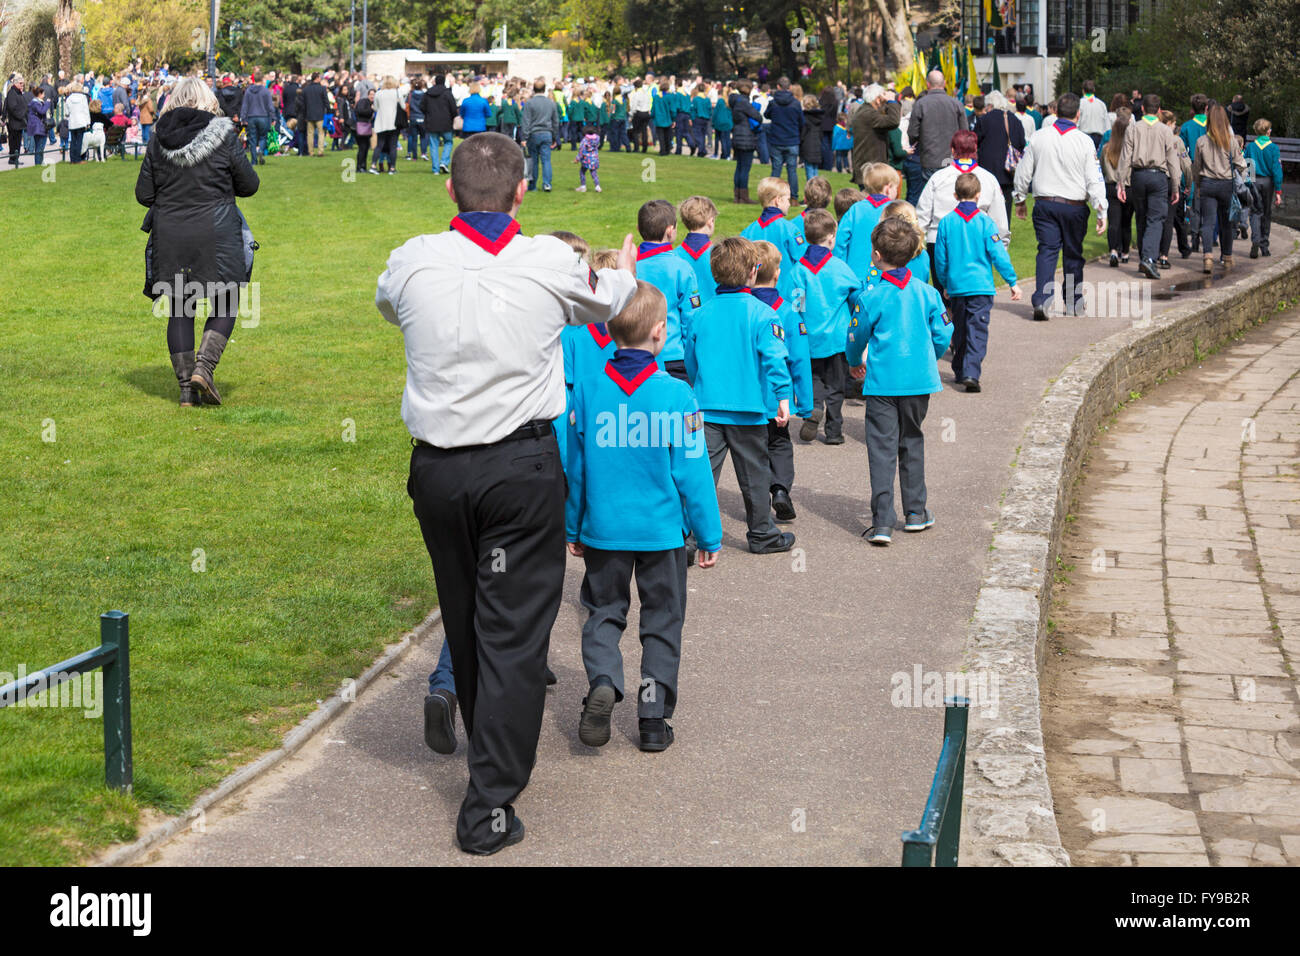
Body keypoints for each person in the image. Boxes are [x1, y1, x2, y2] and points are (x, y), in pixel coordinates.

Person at [376, 132, 639, 855]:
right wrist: (622, 265)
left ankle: (486, 755)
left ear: (450, 189)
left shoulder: (412, 258)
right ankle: (489, 800)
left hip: (440, 470)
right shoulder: (551, 263)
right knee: (513, 637)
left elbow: (391, 307)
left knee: (465, 621)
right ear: (523, 191)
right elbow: (611, 299)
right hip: (517, 468)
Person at [566, 281, 722, 753]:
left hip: (605, 530)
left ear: (609, 327)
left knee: (602, 614)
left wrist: (572, 526)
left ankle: (605, 681)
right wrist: (709, 534)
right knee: (662, 621)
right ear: (660, 332)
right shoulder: (680, 396)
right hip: (661, 533)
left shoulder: (588, 391)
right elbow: (694, 472)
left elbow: (576, 467)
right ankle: (652, 720)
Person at [135, 76, 259, 407]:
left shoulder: (158, 138)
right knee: (227, 298)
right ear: (208, 100)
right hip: (216, 232)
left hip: (172, 233)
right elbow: (249, 184)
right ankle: (203, 368)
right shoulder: (224, 134)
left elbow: (144, 193)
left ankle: (187, 389)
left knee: (180, 305)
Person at [684, 237, 795, 555]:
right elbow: (775, 358)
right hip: (749, 407)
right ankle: (762, 534)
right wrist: (783, 397)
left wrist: (701, 385)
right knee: (755, 475)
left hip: (706, 406)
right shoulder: (764, 314)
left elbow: (691, 360)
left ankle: (689, 539)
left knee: (702, 474)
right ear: (754, 270)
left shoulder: (700, 315)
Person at [846, 217, 952, 546]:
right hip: (919, 381)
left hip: (882, 383)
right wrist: (928, 356)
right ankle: (916, 512)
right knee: (912, 440)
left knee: (881, 449)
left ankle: (882, 521)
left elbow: (855, 335)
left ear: (876, 255)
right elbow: (944, 333)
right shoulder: (928, 293)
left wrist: (853, 361)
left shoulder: (871, 296)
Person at [1012, 92, 1107, 321]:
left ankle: (1043, 299)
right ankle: (1073, 302)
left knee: (1047, 250)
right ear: (1078, 114)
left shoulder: (1039, 136)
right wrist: (1101, 209)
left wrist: (1020, 199)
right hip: (1074, 206)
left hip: (1045, 203)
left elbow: (1023, 171)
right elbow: (1094, 178)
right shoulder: (1085, 141)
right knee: (1073, 254)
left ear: (1056, 112)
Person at [934, 172, 1022, 393]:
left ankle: (960, 368)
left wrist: (944, 282)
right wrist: (1011, 281)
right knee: (977, 328)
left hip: (956, 286)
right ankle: (971, 372)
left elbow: (940, 258)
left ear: (955, 195)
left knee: (961, 328)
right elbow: (998, 254)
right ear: (979, 195)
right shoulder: (985, 222)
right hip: (980, 285)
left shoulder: (946, 223)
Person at [792, 207, 868, 449]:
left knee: (814, 377)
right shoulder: (839, 267)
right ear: (832, 238)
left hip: (809, 337)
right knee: (836, 385)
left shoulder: (798, 270)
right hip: (836, 338)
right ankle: (834, 430)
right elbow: (857, 296)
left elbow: (796, 305)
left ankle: (814, 407)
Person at [748, 240, 811, 522]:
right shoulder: (788, 312)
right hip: (777, 397)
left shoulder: (742, 309)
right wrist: (806, 404)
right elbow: (798, 360)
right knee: (780, 444)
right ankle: (781, 489)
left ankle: (760, 499)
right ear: (777, 275)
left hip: (747, 396)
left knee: (753, 451)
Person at [915, 130, 1010, 295]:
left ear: (952, 150)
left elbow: (922, 214)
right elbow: (999, 219)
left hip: (939, 240)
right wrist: (1001, 246)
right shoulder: (988, 178)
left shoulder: (938, 177)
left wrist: (917, 242)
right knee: (972, 294)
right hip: (976, 241)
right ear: (976, 150)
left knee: (944, 297)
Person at [1115, 93, 1182, 279]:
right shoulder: (1165, 130)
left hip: (1138, 176)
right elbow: (1172, 161)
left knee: (1142, 218)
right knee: (1156, 218)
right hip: (1158, 176)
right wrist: (1175, 186)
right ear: (1159, 110)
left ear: (1142, 108)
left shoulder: (1133, 128)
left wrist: (1121, 183)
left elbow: (1125, 158)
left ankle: (1144, 257)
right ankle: (1149, 259)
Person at [635, 200, 701, 382]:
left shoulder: (629, 267)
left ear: (638, 228)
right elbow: (691, 318)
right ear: (670, 231)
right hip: (674, 358)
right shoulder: (682, 268)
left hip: (635, 356)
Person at [1192, 103, 1247, 273]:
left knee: (1208, 222)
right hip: (1226, 184)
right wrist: (1238, 179)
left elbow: (1196, 167)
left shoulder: (1201, 141)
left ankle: (1207, 256)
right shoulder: (1230, 141)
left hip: (1208, 183)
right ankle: (1227, 257)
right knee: (1227, 222)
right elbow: (1242, 165)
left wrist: (1198, 185)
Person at [740, 176, 802, 300]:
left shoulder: (747, 232)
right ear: (778, 200)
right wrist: (801, 302)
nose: (789, 204)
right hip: (786, 298)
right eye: (788, 199)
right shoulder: (790, 229)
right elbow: (802, 262)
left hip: (754, 297)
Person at [833, 163, 899, 277]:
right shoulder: (896, 210)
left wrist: (840, 270)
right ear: (888, 188)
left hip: (854, 275)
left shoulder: (856, 209)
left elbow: (840, 241)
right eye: (895, 187)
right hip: (888, 276)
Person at [908, 70, 966, 195]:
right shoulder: (957, 104)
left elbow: (913, 133)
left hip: (930, 157)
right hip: (952, 159)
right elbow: (965, 134)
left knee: (932, 194)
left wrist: (917, 143)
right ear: (944, 83)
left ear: (928, 84)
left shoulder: (920, 104)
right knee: (951, 194)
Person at [974, 90, 1026, 223]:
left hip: (987, 170)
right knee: (1005, 208)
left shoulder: (984, 120)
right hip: (1008, 171)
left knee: (986, 206)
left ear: (989, 105)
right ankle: (1003, 237)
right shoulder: (1014, 120)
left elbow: (975, 141)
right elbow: (1021, 144)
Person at [1100, 109, 1134, 267]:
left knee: (1114, 222)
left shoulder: (1106, 149)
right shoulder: (1131, 150)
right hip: (1127, 186)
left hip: (1111, 186)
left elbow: (1101, 167)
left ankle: (1113, 250)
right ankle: (1125, 252)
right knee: (1126, 222)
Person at [850, 83, 900, 189]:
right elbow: (893, 121)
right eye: (883, 99)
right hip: (870, 170)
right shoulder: (869, 114)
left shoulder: (864, 111)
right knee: (874, 202)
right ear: (877, 100)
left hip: (867, 167)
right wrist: (891, 100)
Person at [1246, 118, 1283, 259]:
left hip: (1254, 181)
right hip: (1268, 182)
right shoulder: (1273, 148)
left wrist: (1247, 183)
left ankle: (1255, 239)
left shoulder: (1250, 147)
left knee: (1255, 212)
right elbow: (1276, 170)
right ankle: (1264, 246)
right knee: (1266, 213)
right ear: (1268, 131)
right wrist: (1278, 191)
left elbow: (1247, 165)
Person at [765, 77, 804, 204]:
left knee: (776, 169)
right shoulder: (795, 103)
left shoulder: (773, 102)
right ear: (790, 87)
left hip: (777, 139)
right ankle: (794, 197)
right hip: (791, 139)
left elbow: (766, 115)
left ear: (778, 86)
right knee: (792, 170)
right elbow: (801, 121)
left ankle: (772, 196)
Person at [676, 194, 717, 303]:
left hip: (684, 317)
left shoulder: (673, 255)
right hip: (716, 316)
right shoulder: (721, 255)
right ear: (710, 221)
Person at [521, 77, 560, 192]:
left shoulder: (530, 103)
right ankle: (547, 183)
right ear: (544, 89)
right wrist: (554, 136)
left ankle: (533, 185)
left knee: (533, 161)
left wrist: (524, 137)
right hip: (547, 133)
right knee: (546, 160)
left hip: (534, 133)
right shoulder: (551, 103)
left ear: (534, 89)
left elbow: (526, 121)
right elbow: (555, 122)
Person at [729, 81, 762, 204]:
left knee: (739, 167)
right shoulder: (744, 103)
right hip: (746, 137)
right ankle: (743, 196)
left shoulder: (735, 101)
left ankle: (737, 195)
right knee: (744, 168)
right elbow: (758, 117)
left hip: (737, 135)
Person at [423, 74, 456, 173]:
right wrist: (452, 117)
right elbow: (453, 108)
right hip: (446, 122)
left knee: (434, 145)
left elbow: (422, 107)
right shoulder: (447, 93)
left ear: (435, 82)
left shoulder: (428, 93)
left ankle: (435, 169)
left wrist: (428, 114)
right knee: (448, 142)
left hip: (432, 122)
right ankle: (444, 162)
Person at [241, 71, 274, 165]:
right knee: (263, 137)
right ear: (262, 79)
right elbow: (270, 106)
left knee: (252, 139)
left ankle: (254, 161)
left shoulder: (248, 91)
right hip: (263, 116)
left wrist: (243, 118)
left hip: (251, 117)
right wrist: (273, 118)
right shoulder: (265, 91)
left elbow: (245, 106)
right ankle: (260, 150)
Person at [64, 80, 91, 163]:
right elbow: (86, 110)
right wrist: (88, 122)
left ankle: (72, 159)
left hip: (72, 122)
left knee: (73, 141)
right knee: (79, 141)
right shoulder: (83, 98)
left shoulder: (69, 98)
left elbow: (66, 112)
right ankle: (78, 159)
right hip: (81, 121)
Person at [1078, 80, 1108, 147]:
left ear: (1083, 90)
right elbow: (1106, 123)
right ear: (1094, 90)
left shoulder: (1080, 103)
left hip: (1084, 136)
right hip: (1098, 137)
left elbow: (1077, 121)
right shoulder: (1101, 104)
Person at [5, 75, 26, 167]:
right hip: (14, 123)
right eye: (21, 83)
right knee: (14, 142)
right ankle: (13, 159)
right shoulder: (12, 93)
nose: (22, 85)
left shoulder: (18, 92)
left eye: (23, 84)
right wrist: (21, 115)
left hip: (19, 122)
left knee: (17, 142)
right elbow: (13, 108)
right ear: (16, 83)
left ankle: (15, 158)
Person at [574, 123, 601, 192]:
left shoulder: (585, 140)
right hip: (594, 158)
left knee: (582, 172)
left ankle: (583, 186)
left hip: (586, 159)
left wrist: (577, 159)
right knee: (594, 173)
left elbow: (581, 151)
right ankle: (597, 186)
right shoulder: (597, 139)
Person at [354, 88, 375, 173]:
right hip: (361, 127)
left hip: (367, 128)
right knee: (363, 147)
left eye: (374, 94)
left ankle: (363, 166)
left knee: (366, 147)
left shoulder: (372, 103)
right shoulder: (364, 101)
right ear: (368, 95)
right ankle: (359, 167)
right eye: (371, 94)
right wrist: (371, 109)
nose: (372, 96)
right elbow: (360, 111)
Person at [26, 86, 49, 165]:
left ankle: (40, 162)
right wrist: (47, 103)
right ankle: (38, 164)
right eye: (43, 94)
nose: (44, 95)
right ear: (39, 94)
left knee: (39, 146)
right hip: (38, 127)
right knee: (40, 147)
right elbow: (42, 111)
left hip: (38, 126)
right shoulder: (35, 103)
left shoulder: (37, 102)